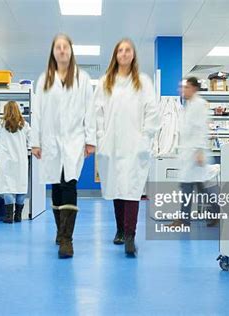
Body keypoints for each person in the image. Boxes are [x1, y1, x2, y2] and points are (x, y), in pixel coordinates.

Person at [30, 34, 96, 259]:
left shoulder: (83, 78)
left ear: (71, 51)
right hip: (50, 142)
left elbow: (90, 110)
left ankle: (67, 239)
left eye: (65, 47)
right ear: (53, 52)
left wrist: (90, 139)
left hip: (74, 141)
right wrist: (35, 142)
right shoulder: (44, 79)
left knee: (69, 185)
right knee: (56, 189)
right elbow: (36, 112)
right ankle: (60, 231)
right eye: (57, 47)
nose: (61, 50)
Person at [94, 38, 160, 256]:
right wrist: (101, 138)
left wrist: (145, 138)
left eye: (127, 50)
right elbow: (97, 113)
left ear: (133, 55)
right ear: (115, 55)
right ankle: (120, 230)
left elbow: (152, 111)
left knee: (131, 189)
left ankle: (130, 236)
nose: (123, 53)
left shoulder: (143, 82)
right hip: (111, 144)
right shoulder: (106, 82)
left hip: (134, 144)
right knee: (116, 187)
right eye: (120, 50)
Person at [168, 77, 219, 228]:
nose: (182, 91)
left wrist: (199, 151)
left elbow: (202, 129)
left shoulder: (200, 104)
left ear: (194, 88)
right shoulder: (188, 105)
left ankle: (184, 220)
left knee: (188, 188)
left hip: (196, 154)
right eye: (181, 88)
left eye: (186, 88)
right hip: (189, 154)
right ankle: (216, 212)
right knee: (198, 187)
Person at [0, 101, 30, 224]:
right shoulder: (24, 125)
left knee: (7, 187)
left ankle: (8, 217)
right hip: (20, 160)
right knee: (20, 187)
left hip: (6, 160)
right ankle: (18, 216)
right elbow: (32, 140)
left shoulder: (1, 125)